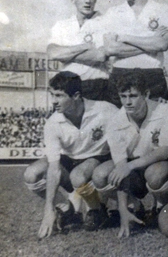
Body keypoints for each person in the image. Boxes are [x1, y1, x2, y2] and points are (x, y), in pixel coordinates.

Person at [23, 71, 118, 238]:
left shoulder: (105, 110)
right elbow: (54, 167)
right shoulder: (53, 122)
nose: (53, 101)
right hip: (70, 160)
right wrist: (49, 209)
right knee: (31, 174)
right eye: (52, 95)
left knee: (78, 176)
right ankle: (66, 209)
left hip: (96, 158)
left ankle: (97, 210)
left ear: (76, 95)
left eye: (59, 95)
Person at [91, 72, 168, 237]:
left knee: (155, 174)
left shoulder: (165, 110)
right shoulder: (115, 121)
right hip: (133, 166)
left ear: (146, 94)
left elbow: (165, 150)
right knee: (100, 175)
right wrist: (122, 209)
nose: (127, 102)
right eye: (123, 96)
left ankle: (160, 205)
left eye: (133, 96)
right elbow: (120, 166)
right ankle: (134, 206)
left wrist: (129, 166)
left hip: (159, 162)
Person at [103, 0, 168, 107]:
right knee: (119, 123)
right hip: (120, 74)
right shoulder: (113, 13)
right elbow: (110, 49)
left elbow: (163, 44)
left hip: (152, 75)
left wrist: (126, 38)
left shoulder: (163, 10)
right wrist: (151, 43)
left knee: (155, 124)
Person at [47, 0, 110, 101]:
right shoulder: (62, 25)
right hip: (67, 86)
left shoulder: (106, 23)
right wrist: (84, 47)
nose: (87, 1)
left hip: (96, 86)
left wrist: (65, 54)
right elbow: (53, 53)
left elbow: (101, 55)